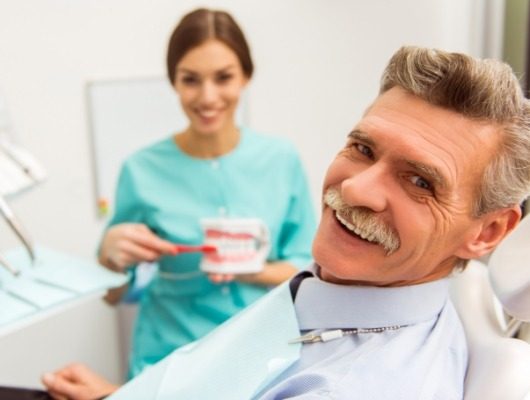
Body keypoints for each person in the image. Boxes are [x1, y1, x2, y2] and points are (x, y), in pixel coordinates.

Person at [42, 46, 530, 399]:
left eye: (420, 182)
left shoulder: (351, 382)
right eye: (362, 149)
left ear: (486, 232)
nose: (355, 189)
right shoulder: (341, 287)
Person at [96, 8, 316, 378]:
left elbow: (309, 270)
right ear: (174, 82)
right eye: (191, 80)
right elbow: (113, 295)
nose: (207, 96)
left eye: (224, 77)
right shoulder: (140, 169)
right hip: (168, 361)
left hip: (262, 356)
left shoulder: (281, 159)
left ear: (246, 76)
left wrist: (251, 270)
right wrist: (109, 258)